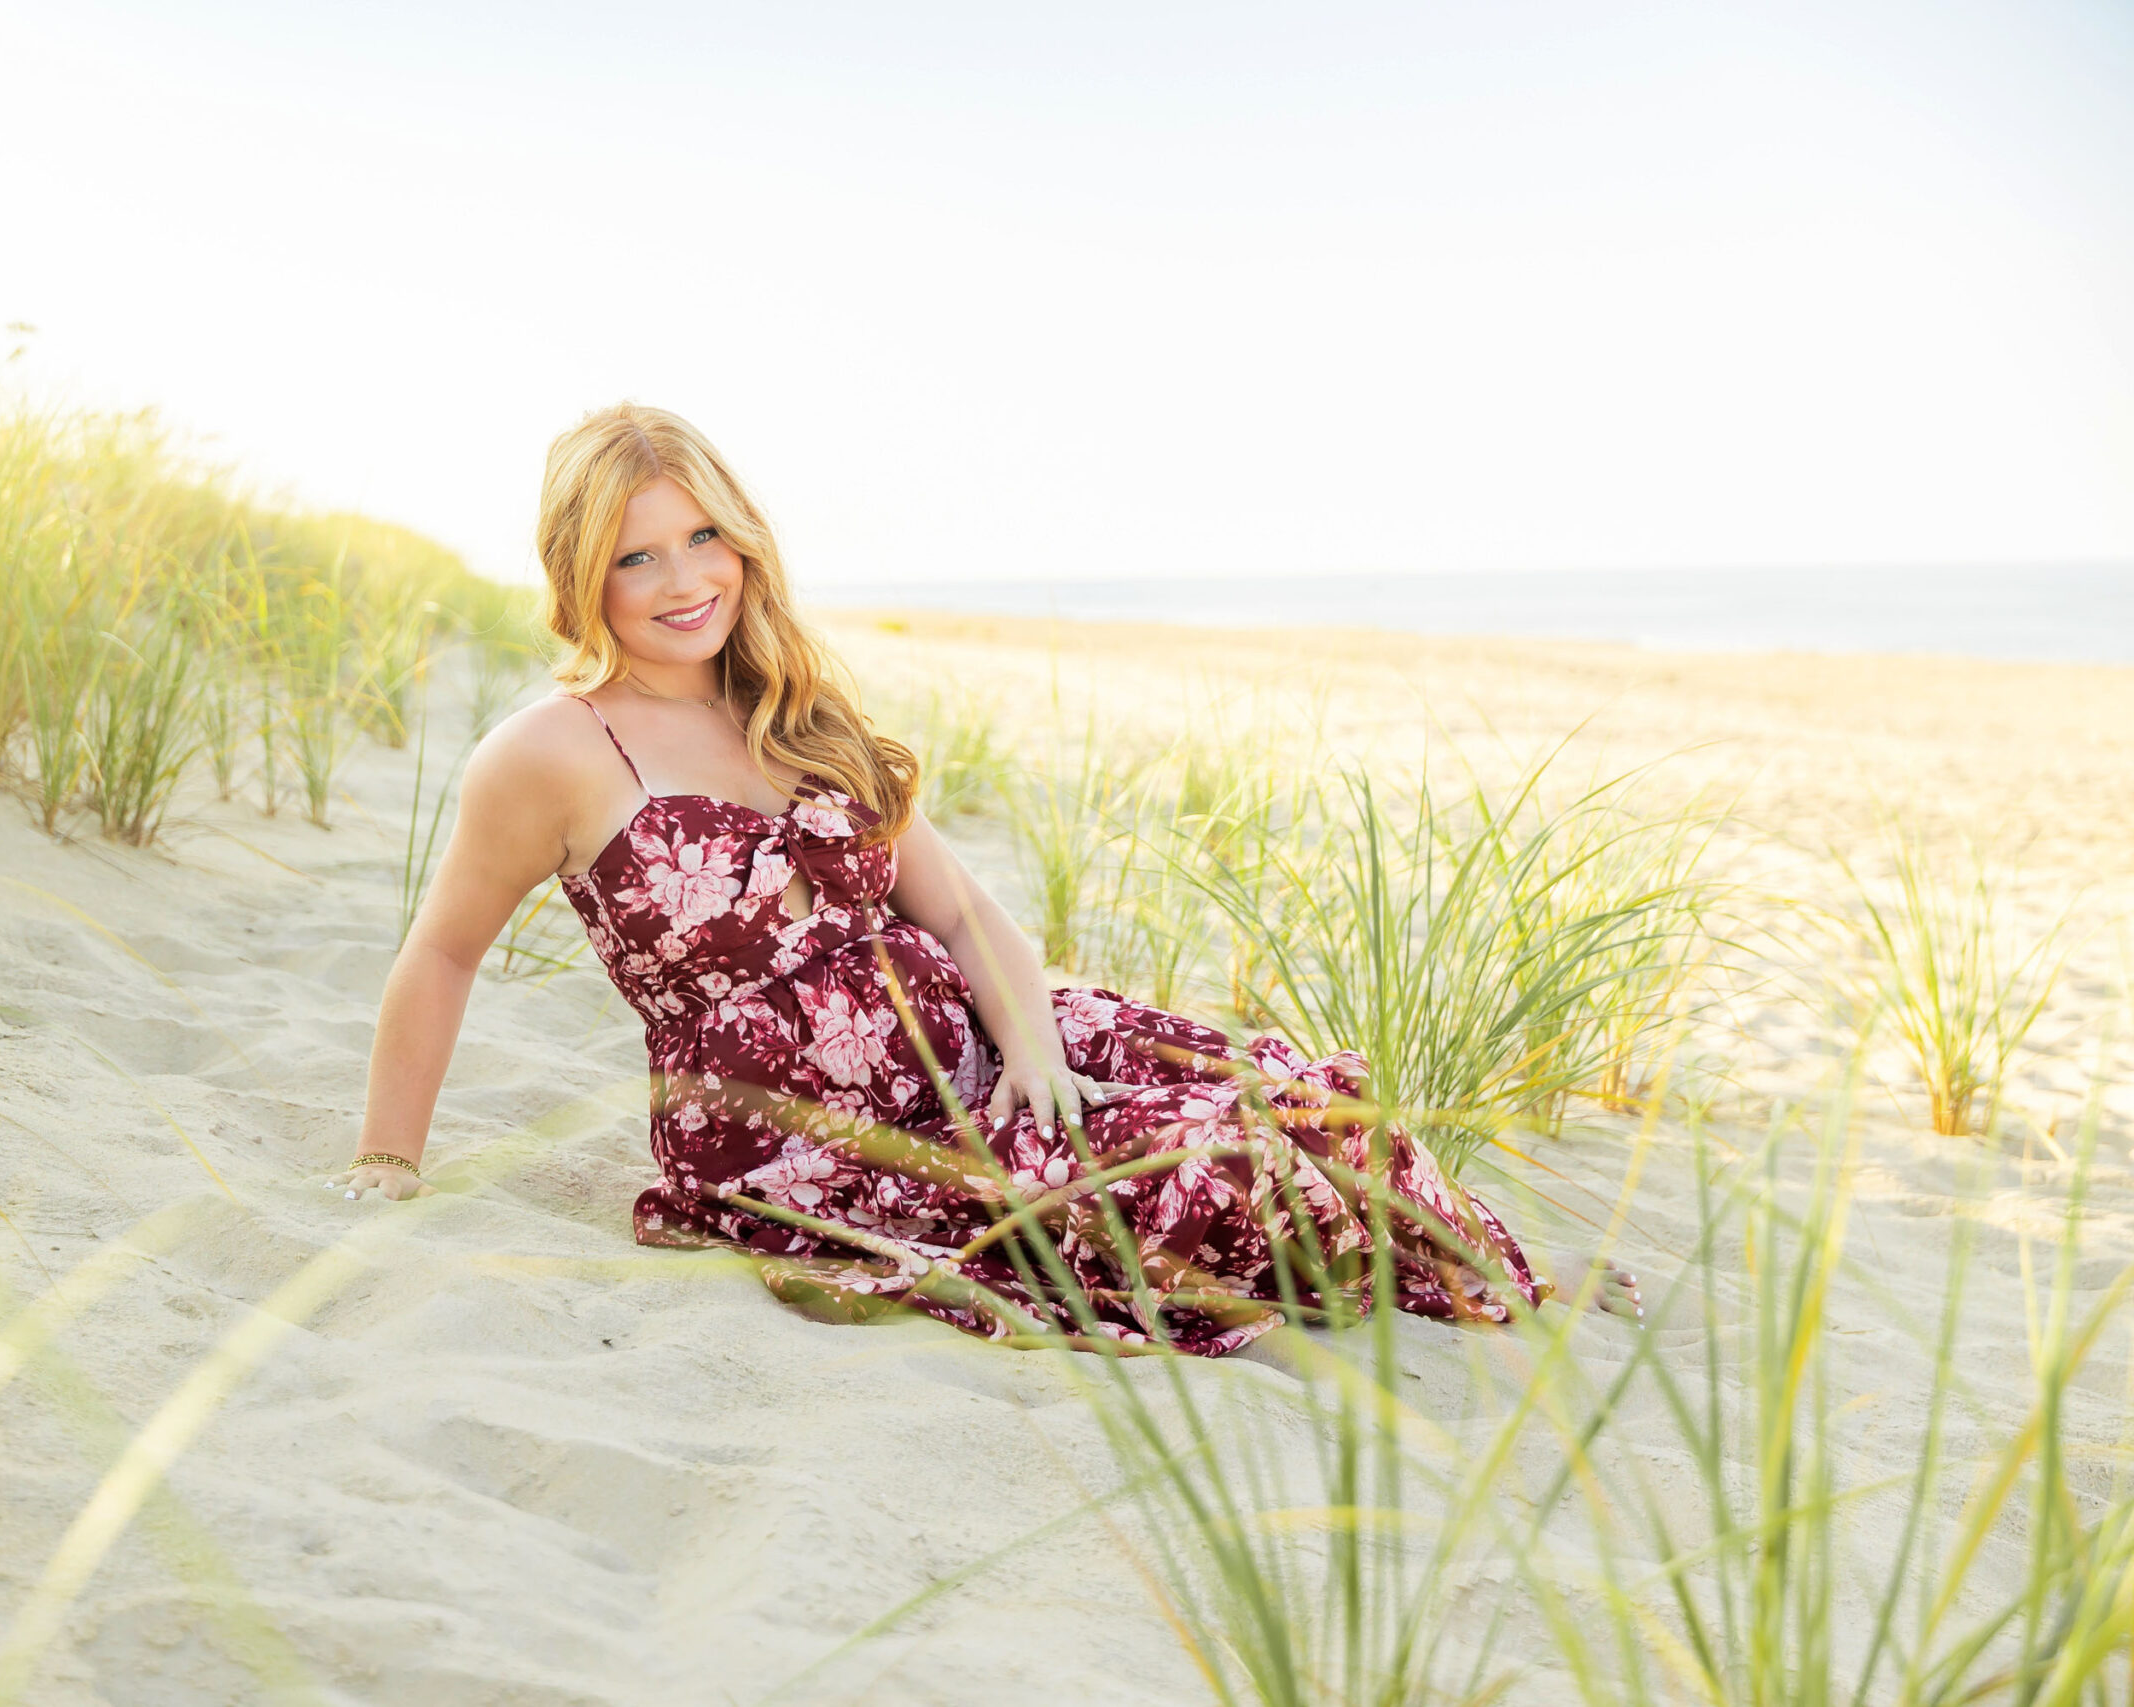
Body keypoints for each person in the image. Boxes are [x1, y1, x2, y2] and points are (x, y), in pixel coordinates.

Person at [337, 403, 1637, 1355]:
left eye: (702, 538)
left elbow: (955, 907)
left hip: (990, 1044)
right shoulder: (548, 755)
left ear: (743, 540)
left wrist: (1035, 1056)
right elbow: (444, 951)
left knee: (1304, 1096)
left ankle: (1499, 1278)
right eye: (637, 557)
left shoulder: (793, 708)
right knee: (1204, 1185)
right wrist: (389, 1164)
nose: (685, 581)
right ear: (581, 572)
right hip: (819, 1146)